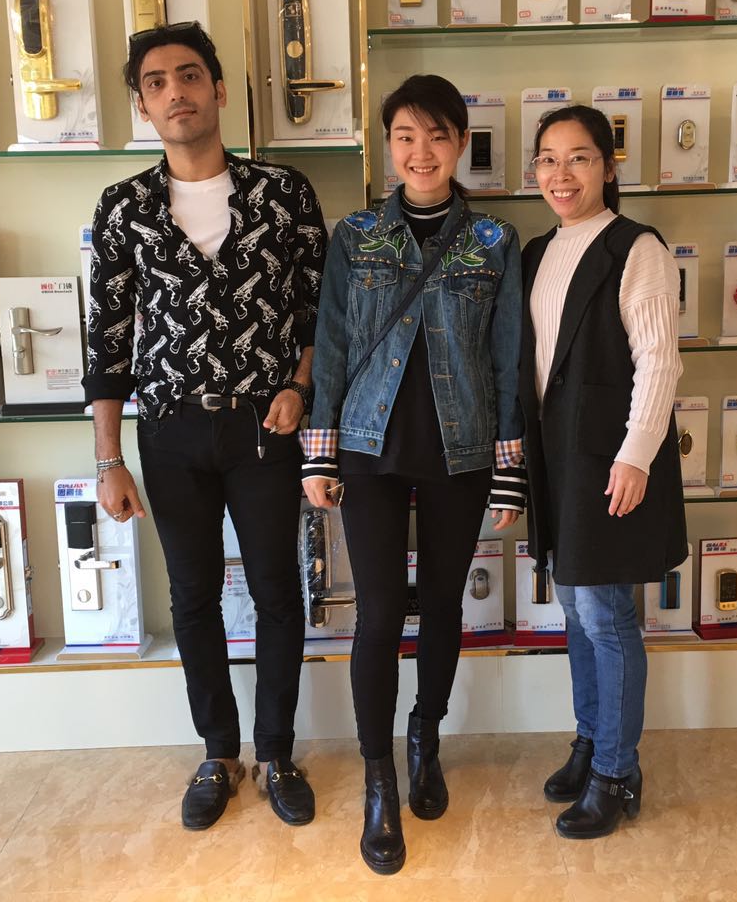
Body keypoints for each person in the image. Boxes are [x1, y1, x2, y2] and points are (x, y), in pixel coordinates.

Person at [83, 22, 326, 832]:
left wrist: (299, 387)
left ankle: (277, 750)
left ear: (218, 90)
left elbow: (317, 311)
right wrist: (108, 458)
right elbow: (107, 340)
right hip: (170, 432)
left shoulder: (283, 195)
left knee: (277, 592)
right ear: (142, 105)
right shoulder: (124, 209)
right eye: (156, 83)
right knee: (193, 595)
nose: (175, 92)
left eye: (189, 76)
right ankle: (219, 752)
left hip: (263, 429)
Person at [301, 74, 525, 875]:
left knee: (440, 606)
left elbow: (508, 359)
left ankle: (425, 736)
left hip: (462, 448)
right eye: (404, 136)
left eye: (436, 135)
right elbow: (331, 343)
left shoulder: (495, 242)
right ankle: (378, 778)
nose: (420, 152)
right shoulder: (356, 235)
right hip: (370, 447)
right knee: (378, 615)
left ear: (460, 142)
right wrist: (319, 451)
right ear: (387, 145)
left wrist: (509, 469)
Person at [519, 104, 687, 839]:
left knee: (606, 616)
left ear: (608, 166)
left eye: (579, 157)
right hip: (555, 455)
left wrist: (635, 454)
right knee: (576, 609)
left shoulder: (635, 247)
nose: (561, 174)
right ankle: (591, 744)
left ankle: (617, 772)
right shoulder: (537, 251)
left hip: (608, 458)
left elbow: (659, 359)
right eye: (548, 159)